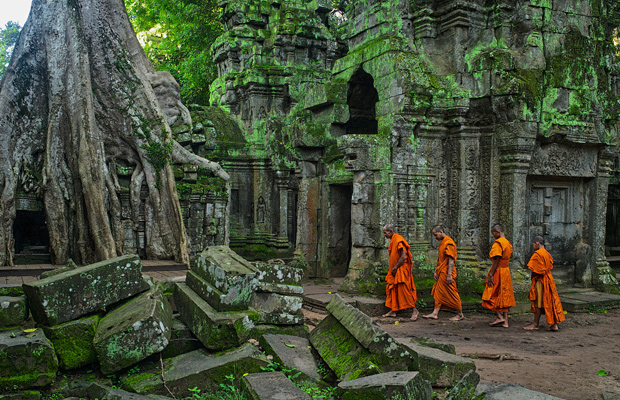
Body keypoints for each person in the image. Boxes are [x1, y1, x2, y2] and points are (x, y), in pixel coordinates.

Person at [523, 236, 565, 332]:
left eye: (533, 244)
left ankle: (535, 324)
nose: (533, 246)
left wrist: (533, 278)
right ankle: (554, 325)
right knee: (550, 300)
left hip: (541, 280)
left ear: (537, 243)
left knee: (538, 302)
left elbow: (537, 270)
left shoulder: (537, 254)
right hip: (549, 279)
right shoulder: (547, 253)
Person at [423, 225, 464, 321]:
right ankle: (435, 313)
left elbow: (451, 260)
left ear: (441, 231)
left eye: (436, 235)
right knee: (438, 291)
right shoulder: (442, 243)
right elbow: (440, 258)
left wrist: (449, 274)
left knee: (452, 291)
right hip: (441, 271)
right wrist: (435, 271)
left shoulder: (449, 242)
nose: (435, 237)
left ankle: (460, 314)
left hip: (447, 272)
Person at [381, 224, 419, 320]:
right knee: (393, 289)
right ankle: (393, 311)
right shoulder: (393, 240)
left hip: (401, 269)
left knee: (405, 290)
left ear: (390, 231)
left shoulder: (398, 239)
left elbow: (404, 256)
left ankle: (415, 310)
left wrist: (395, 267)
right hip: (394, 270)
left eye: (385, 233)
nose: (384, 235)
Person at [481, 224, 516, 328]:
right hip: (506, 271)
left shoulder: (498, 243)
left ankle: (499, 316)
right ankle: (506, 321)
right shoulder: (508, 243)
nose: (493, 236)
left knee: (490, 294)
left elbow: (496, 259)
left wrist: (491, 274)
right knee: (504, 295)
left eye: (494, 233)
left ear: (498, 231)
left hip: (498, 271)